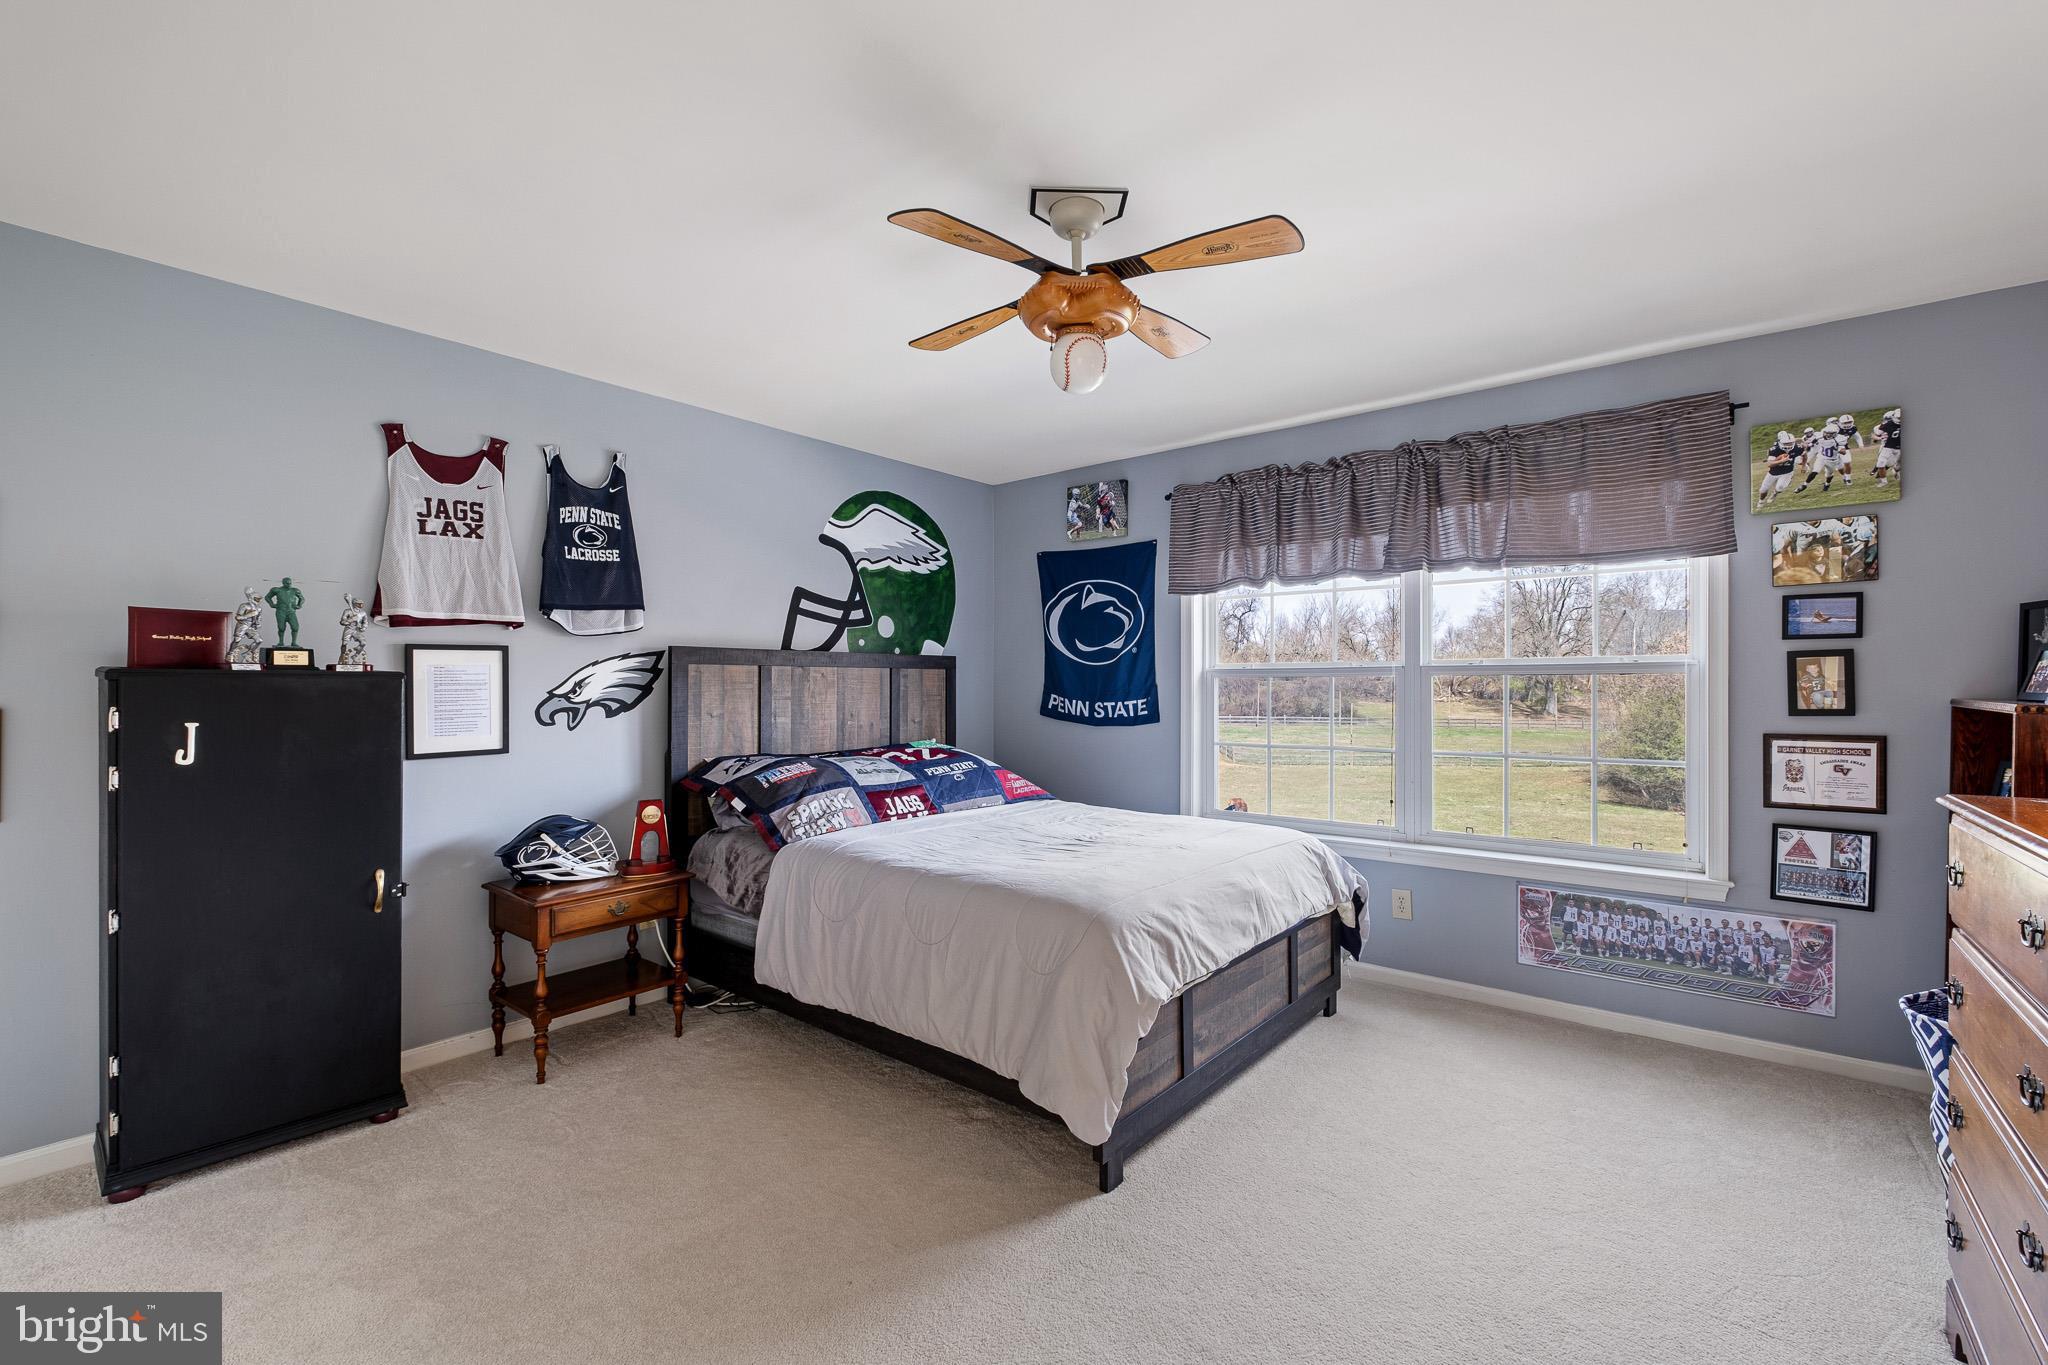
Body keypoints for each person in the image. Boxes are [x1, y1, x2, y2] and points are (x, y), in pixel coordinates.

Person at [264, 577, 305, 648]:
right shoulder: (277, 590)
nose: (289, 585)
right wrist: (271, 604)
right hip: (281, 611)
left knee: (295, 627)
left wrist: (299, 605)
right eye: (287, 583)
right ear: (283, 583)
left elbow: (302, 598)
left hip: (291, 611)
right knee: (281, 628)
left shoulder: (295, 590)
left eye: (290, 583)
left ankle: (294, 642)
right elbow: (267, 597)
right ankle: (281, 642)